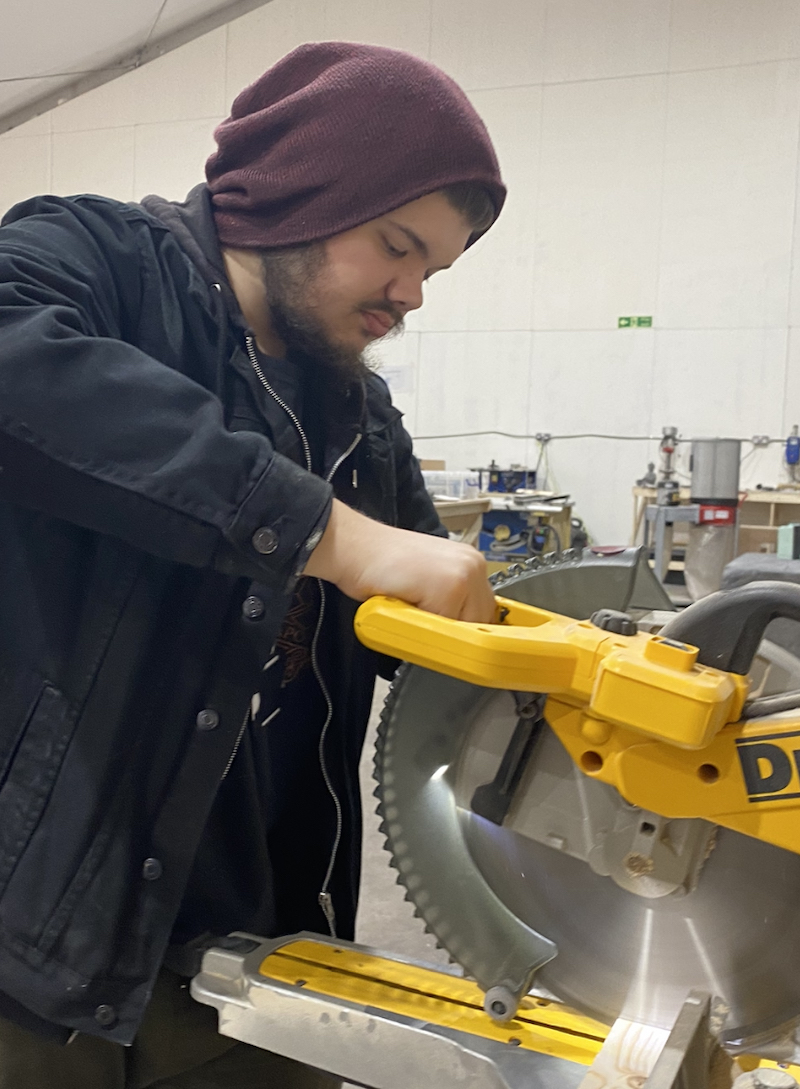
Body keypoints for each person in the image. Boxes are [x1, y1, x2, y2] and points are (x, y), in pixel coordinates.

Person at [0, 40, 505, 1088]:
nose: (411, 292)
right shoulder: (99, 262)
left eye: (433, 269)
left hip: (260, 944)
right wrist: (327, 531)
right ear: (295, 196)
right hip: (41, 950)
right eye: (394, 245)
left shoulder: (357, 413)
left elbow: (440, 635)